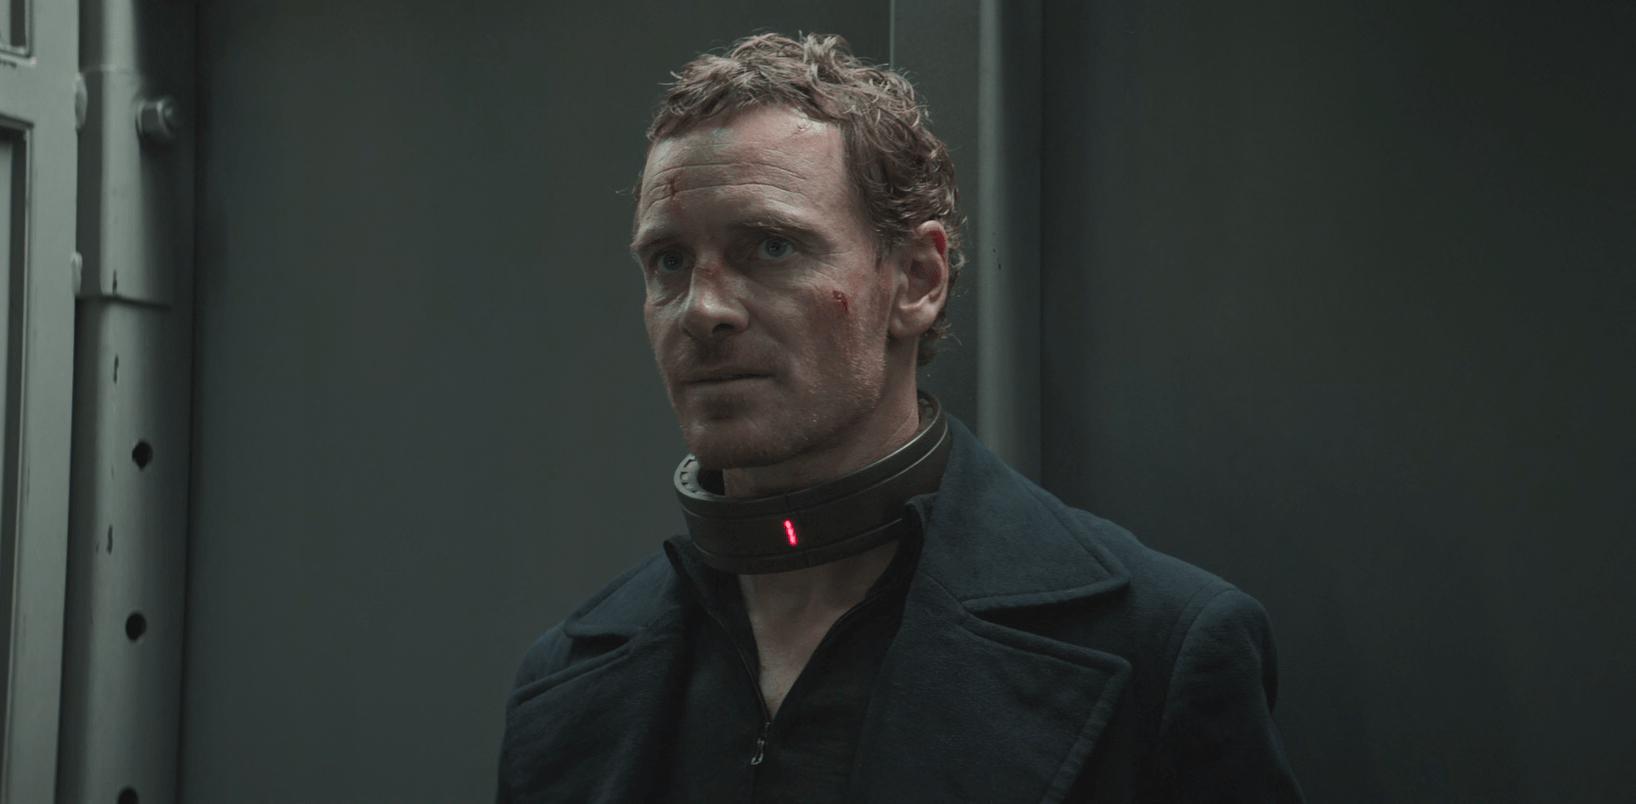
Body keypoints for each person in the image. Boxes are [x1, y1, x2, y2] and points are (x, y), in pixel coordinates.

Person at [497, 32, 1304, 803]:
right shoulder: (565, 682)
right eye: (668, 261)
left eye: (771, 247)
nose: (703, 310)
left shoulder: (1157, 647)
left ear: (917, 280)